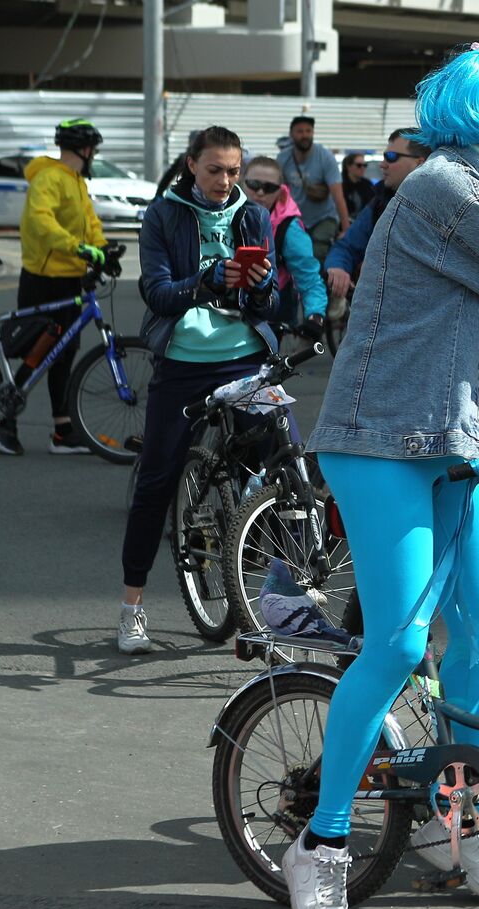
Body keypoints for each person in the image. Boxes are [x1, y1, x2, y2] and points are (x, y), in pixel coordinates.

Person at [294, 37, 479, 909]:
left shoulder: (476, 193)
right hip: (382, 442)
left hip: (455, 443)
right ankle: (322, 842)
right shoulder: (447, 189)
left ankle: (462, 819)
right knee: (401, 640)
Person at [120, 126, 281, 656]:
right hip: (185, 364)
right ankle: (132, 606)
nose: (225, 180)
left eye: (234, 171)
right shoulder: (163, 215)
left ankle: (275, 597)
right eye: (214, 169)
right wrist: (208, 282)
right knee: (156, 481)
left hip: (247, 359)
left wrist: (257, 288)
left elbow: (270, 305)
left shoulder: (253, 215)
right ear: (192, 165)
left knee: (284, 468)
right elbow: (157, 293)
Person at [0, 118, 110, 457]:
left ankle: (62, 430)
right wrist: (78, 248)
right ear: (84, 149)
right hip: (44, 277)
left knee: (64, 352)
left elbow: (91, 222)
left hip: (70, 277)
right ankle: (6, 422)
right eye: (93, 149)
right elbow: (40, 222)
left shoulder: (76, 182)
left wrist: (103, 247)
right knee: (40, 349)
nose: (94, 155)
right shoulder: (49, 177)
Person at [324, 129, 433, 318]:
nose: (383, 164)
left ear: (419, 163)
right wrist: (338, 268)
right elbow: (347, 246)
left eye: (391, 157)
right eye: (384, 156)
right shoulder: (379, 202)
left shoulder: (441, 209)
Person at [240, 156, 328, 331]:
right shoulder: (222, 213)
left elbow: (308, 276)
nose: (260, 193)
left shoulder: (289, 228)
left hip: (270, 314)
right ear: (242, 183)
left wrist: (315, 316)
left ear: (280, 191)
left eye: (269, 187)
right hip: (227, 311)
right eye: (254, 184)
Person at [277, 115, 349, 264]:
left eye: (308, 131)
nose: (305, 135)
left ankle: (320, 285)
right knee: (293, 253)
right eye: (300, 131)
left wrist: (346, 229)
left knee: (316, 252)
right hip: (296, 218)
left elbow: (338, 195)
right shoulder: (283, 158)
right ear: (291, 135)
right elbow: (278, 192)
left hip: (323, 217)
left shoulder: (325, 157)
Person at [340, 151, 376, 219]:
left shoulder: (368, 184)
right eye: (359, 165)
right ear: (348, 166)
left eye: (365, 165)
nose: (363, 168)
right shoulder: (340, 185)